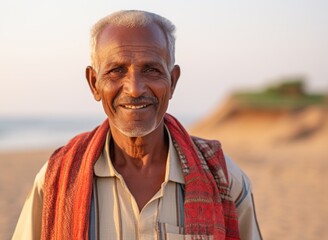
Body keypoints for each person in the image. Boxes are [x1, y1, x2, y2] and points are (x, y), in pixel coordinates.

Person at [13, 10, 262, 240]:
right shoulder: (56, 179)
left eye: (151, 70)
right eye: (116, 70)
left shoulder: (223, 178)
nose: (134, 89)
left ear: (172, 82)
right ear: (93, 83)